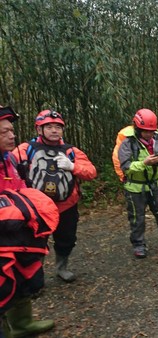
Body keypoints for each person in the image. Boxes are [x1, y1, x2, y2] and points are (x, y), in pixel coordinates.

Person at [14, 110, 96, 283]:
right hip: (36, 207)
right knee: (35, 243)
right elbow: (10, 167)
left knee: (66, 239)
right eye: (49, 127)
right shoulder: (25, 150)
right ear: (39, 129)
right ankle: (35, 277)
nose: (54, 130)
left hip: (66, 206)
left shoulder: (70, 151)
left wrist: (73, 166)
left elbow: (91, 172)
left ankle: (61, 268)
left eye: (58, 127)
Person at [0, 106, 57, 337]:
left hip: (18, 233)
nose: (12, 136)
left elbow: (22, 190)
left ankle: (22, 325)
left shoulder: (10, 160)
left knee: (22, 277)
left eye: (11, 131)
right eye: (4, 132)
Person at [117, 109, 158, 258]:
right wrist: (144, 163)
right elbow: (125, 166)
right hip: (135, 187)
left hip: (156, 184)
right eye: (145, 131)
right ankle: (139, 245)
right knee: (137, 217)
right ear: (137, 128)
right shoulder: (128, 143)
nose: (149, 134)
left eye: (151, 131)